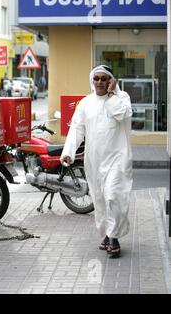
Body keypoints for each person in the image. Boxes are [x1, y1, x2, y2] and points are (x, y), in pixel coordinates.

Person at [60, 65, 133, 259]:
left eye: (104, 78)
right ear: (92, 81)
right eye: (97, 78)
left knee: (114, 196)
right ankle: (107, 234)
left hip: (118, 158)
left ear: (111, 81)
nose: (100, 82)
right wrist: (69, 152)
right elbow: (77, 129)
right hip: (94, 160)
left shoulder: (121, 98)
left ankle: (114, 238)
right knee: (100, 200)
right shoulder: (86, 103)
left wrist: (111, 95)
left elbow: (122, 115)